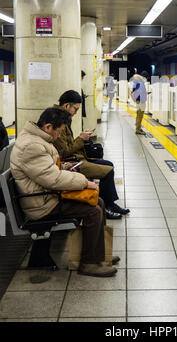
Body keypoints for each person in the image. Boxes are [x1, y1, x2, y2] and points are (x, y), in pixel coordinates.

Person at [10, 107, 117, 278]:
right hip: (41, 204)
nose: (59, 136)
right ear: (48, 127)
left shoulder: (36, 139)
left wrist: (66, 167)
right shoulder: (32, 146)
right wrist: (84, 182)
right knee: (93, 210)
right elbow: (52, 179)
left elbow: (47, 171)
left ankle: (99, 253)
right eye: (58, 131)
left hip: (46, 195)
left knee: (99, 202)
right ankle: (88, 263)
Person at [53, 90, 130, 218]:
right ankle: (106, 207)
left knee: (108, 164)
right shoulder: (57, 121)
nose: (77, 112)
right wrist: (81, 139)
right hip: (71, 163)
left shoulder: (63, 118)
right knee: (107, 171)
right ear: (67, 106)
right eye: (76, 109)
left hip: (77, 158)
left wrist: (80, 139)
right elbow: (64, 151)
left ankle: (110, 203)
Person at [130, 70, 149, 135]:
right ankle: (138, 129)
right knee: (140, 115)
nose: (146, 79)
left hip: (138, 100)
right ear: (144, 77)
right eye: (146, 78)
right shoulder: (141, 82)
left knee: (138, 114)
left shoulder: (137, 81)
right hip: (141, 100)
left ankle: (138, 127)